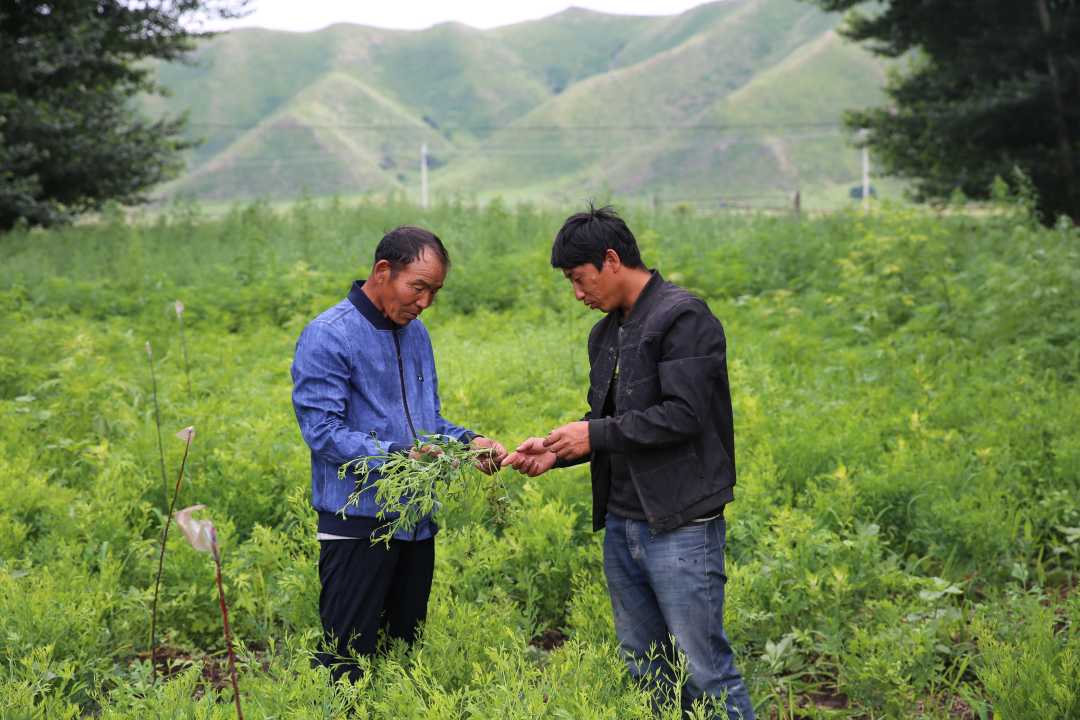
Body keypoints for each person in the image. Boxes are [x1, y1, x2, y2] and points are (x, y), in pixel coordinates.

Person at [502, 206, 754, 719]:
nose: (577, 294)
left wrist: (592, 434)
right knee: (645, 664)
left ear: (611, 260)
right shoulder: (606, 333)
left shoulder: (683, 318)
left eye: (579, 279)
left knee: (703, 667)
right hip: (623, 521)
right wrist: (556, 450)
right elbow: (616, 423)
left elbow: (683, 415)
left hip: (681, 520)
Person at [291, 225, 506, 682]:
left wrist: (469, 443)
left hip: (415, 525)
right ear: (383, 271)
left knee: (402, 659)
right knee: (348, 664)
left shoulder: (416, 334)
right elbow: (322, 430)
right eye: (419, 287)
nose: (425, 302)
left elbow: (427, 426)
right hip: (357, 527)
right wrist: (397, 456)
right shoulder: (328, 335)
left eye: (435, 291)